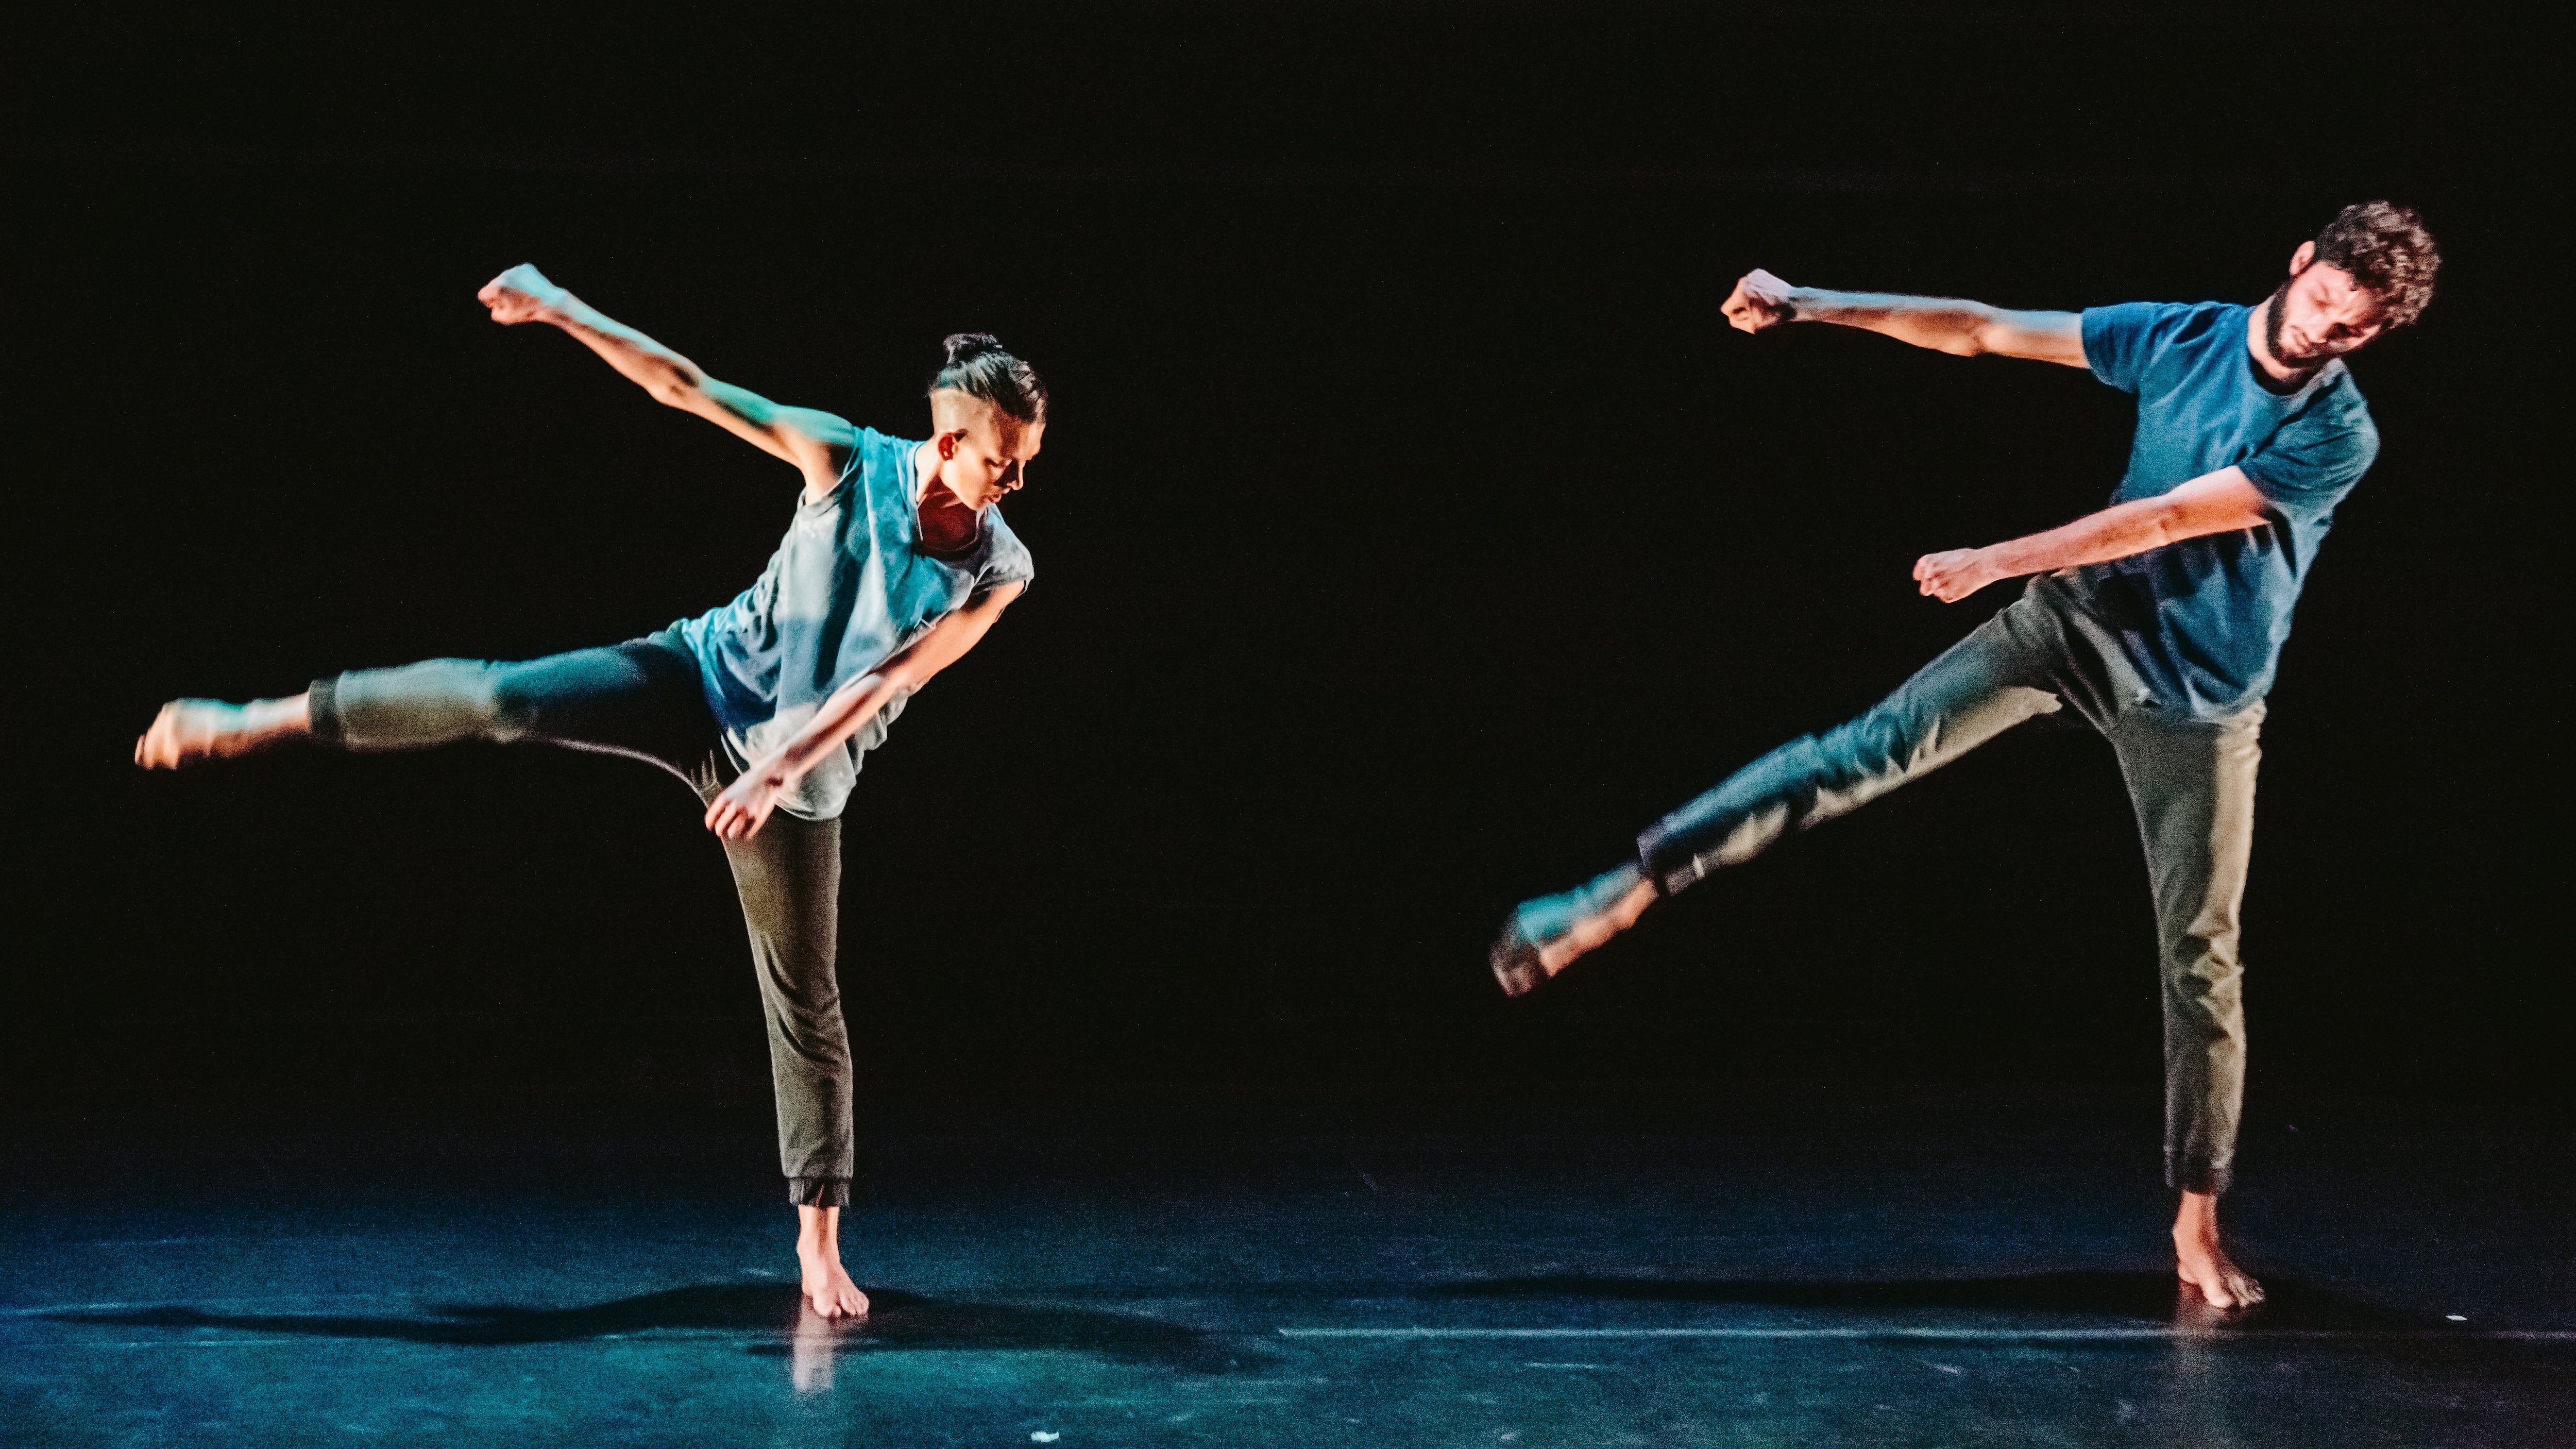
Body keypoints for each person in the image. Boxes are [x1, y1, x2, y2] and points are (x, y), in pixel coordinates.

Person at [1488, 203, 2440, 1310]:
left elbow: (2170, 520)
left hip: (2197, 698)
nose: (2324, 332)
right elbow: (1983, 328)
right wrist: (1808, 303)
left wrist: (1999, 558)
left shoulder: (2338, 433)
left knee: (2200, 954)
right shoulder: (2180, 335)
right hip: (2074, 626)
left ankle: (2196, 1217)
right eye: (2324, 301)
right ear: (2299, 263)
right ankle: (1621, 889)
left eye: (2353, 329)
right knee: (1856, 751)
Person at [134, 264, 1050, 1320]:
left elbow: (891, 678)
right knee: (503, 696)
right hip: (694, 679)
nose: (1015, 486)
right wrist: (559, 307)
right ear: (947, 444)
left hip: (798, 775)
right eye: (1004, 464)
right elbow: (687, 386)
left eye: (1027, 467)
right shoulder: (844, 459)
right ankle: (264, 716)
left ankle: (816, 1245)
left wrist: (775, 768)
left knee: (805, 997)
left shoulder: (998, 568)